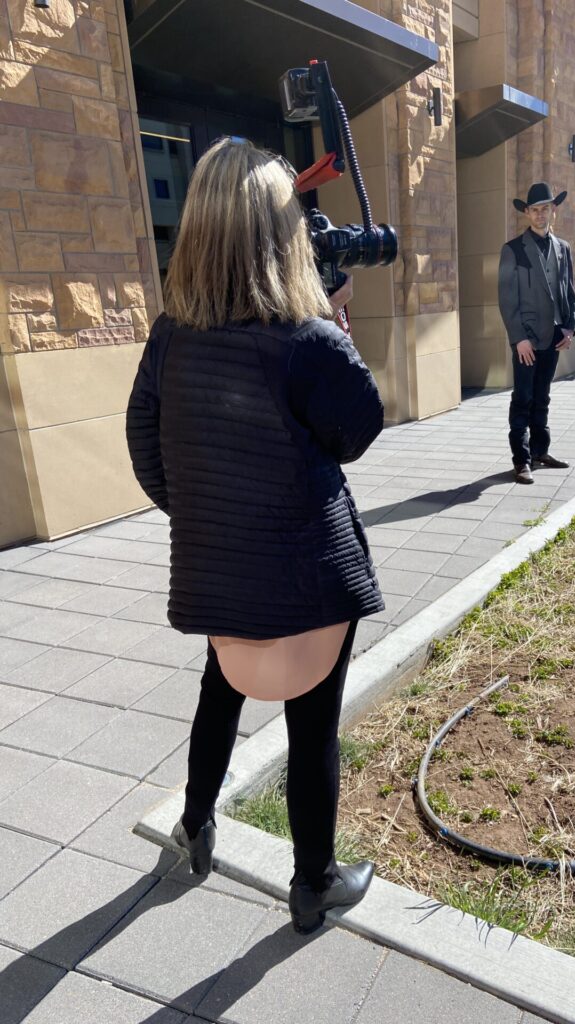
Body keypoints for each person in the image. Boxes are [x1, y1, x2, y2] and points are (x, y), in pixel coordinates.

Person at [126, 137, 385, 935]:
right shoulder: (306, 338)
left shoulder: (172, 336)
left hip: (224, 575)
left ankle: (196, 824)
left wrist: (215, 518)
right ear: (279, 233)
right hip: (309, 577)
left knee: (220, 689)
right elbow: (358, 429)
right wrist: (339, 327)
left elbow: (146, 448)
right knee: (312, 729)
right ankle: (313, 885)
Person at [498, 182, 575, 484]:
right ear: (527, 213)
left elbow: (568, 292)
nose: (540, 214)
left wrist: (571, 327)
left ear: (552, 210)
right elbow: (507, 299)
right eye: (535, 210)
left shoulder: (563, 248)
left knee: (542, 397)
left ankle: (539, 451)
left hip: (555, 336)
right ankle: (521, 461)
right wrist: (518, 338)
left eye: (546, 208)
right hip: (527, 340)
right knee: (523, 398)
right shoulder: (513, 250)